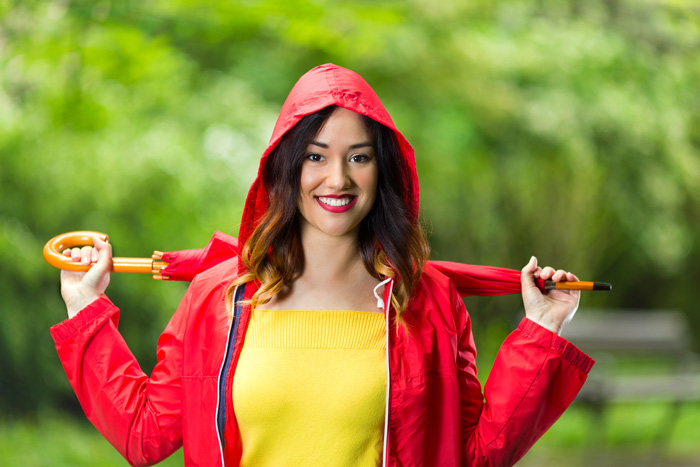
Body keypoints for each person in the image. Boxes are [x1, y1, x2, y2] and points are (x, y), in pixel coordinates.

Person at [53, 63, 594, 467]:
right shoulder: (217, 299)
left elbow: (473, 453)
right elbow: (145, 433)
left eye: (358, 157)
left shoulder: (426, 301)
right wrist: (85, 306)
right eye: (316, 156)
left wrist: (542, 330)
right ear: (286, 168)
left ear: (383, 171)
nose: (337, 179)